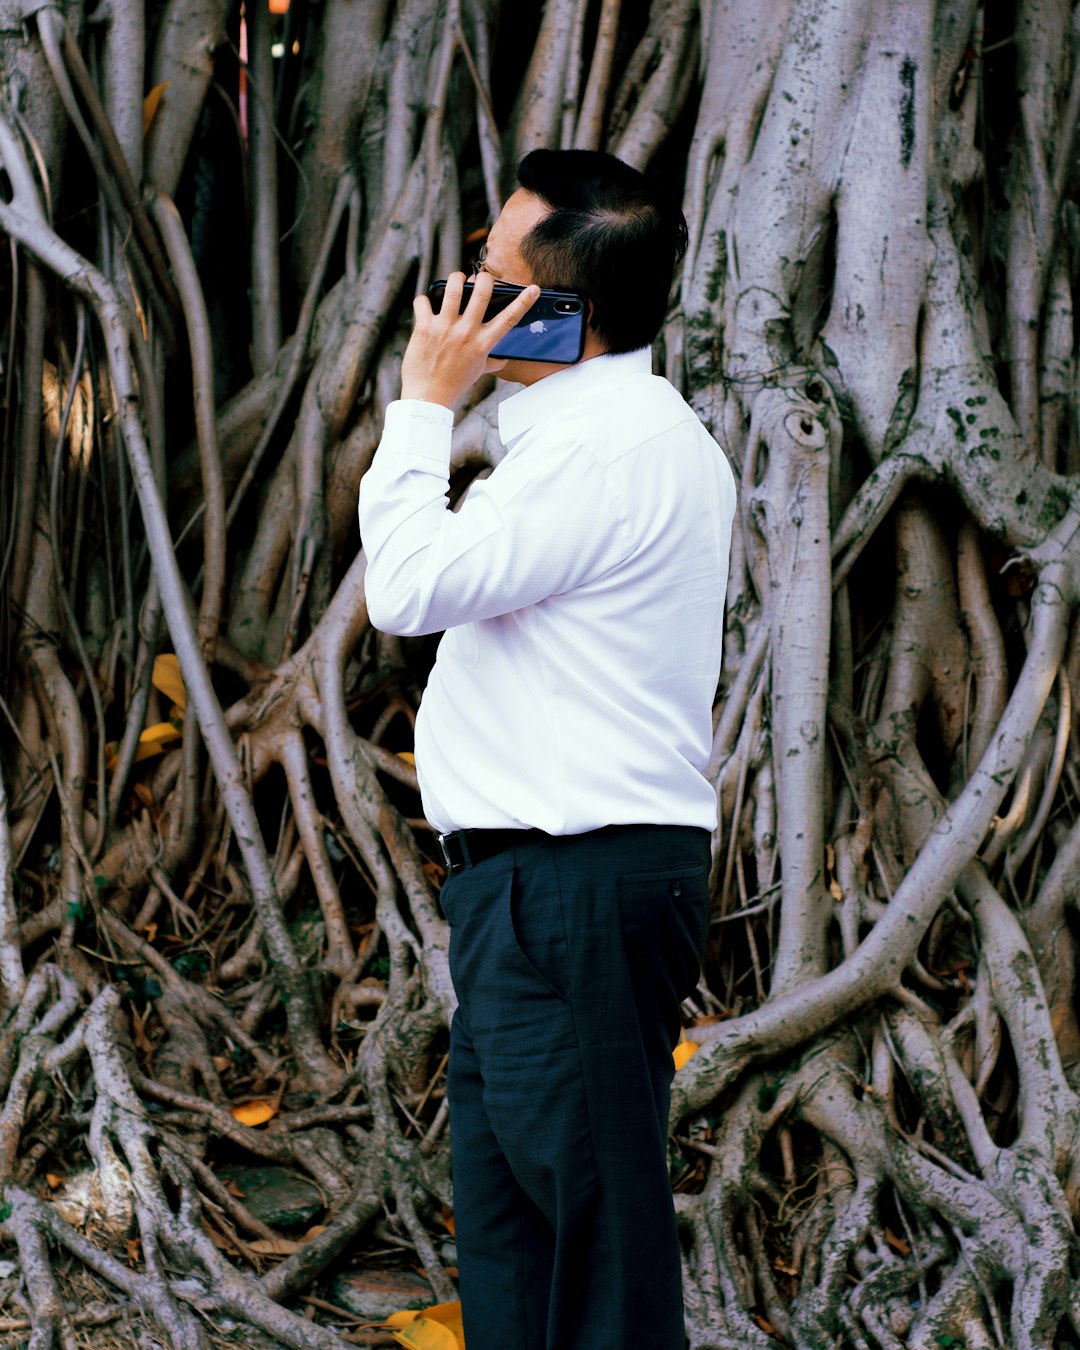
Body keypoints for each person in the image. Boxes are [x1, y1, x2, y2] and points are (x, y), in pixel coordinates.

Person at [358, 149, 736, 1350]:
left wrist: (424, 404)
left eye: (487, 270)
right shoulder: (588, 434)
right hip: (538, 889)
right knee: (521, 1246)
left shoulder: (606, 449)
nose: (462, 290)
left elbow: (407, 589)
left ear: (559, 312)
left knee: (594, 1262)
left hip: (571, 884)